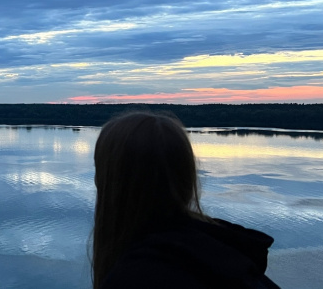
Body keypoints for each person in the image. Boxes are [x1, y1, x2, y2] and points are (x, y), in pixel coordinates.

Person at [92, 112, 280, 289]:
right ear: (185, 179)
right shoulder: (227, 254)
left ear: (113, 184)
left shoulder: (136, 278)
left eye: (99, 172)